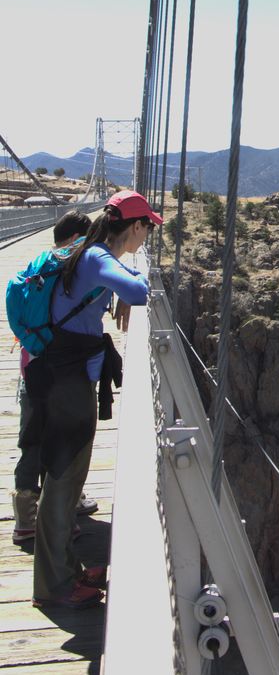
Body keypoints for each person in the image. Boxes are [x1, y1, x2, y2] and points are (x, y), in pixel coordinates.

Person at [27, 190, 162, 609]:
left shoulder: (90, 254)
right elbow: (142, 292)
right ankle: (54, 586)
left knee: (65, 479)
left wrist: (115, 289)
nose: (148, 238)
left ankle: (65, 569)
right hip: (68, 384)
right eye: (148, 229)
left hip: (61, 375)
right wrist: (125, 287)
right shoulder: (100, 258)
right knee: (64, 481)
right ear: (135, 227)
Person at [11, 211, 99, 545]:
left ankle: (25, 518)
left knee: (30, 439)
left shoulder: (31, 268)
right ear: (78, 237)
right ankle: (61, 514)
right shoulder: (76, 271)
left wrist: (34, 345)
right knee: (65, 440)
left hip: (32, 367)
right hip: (66, 371)